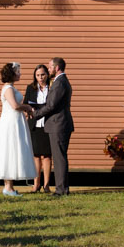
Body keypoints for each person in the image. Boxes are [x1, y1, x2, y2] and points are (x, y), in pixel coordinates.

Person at [0, 63, 36, 196]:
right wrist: (28, 108)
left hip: (15, 122)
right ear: (12, 74)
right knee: (10, 150)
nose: (20, 74)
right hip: (10, 124)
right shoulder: (8, 88)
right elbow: (14, 105)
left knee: (13, 151)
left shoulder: (11, 88)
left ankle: (9, 187)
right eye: (18, 72)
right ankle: (8, 187)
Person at [31, 57, 74, 196]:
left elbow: (51, 105)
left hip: (58, 125)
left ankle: (61, 190)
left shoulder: (60, 83)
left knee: (59, 158)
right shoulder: (60, 81)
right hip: (59, 124)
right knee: (59, 157)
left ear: (56, 68)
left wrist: (36, 114)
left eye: (49, 67)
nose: (48, 70)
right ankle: (62, 188)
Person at [23, 64, 53, 193]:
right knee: (35, 156)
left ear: (47, 75)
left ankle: (46, 185)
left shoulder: (52, 88)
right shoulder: (31, 88)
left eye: (43, 75)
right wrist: (29, 109)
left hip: (48, 124)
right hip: (34, 125)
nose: (40, 78)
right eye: (38, 75)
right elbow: (25, 103)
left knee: (46, 156)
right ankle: (36, 184)